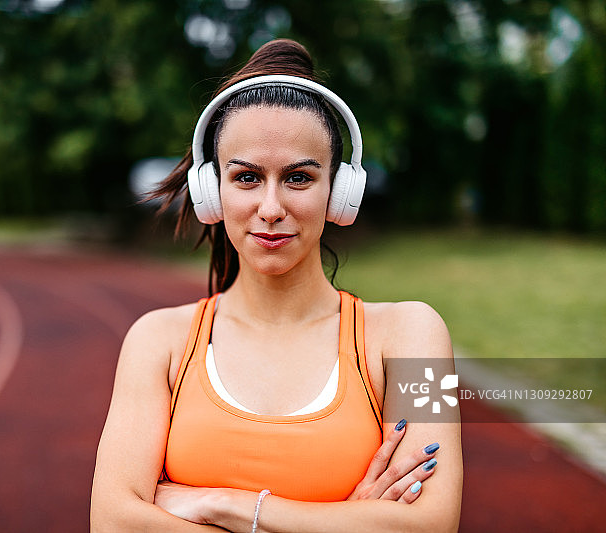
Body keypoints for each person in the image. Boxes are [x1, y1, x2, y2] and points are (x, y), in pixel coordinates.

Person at [91, 39, 462, 532]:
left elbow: (432, 525)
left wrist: (226, 506)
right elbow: (112, 524)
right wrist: (348, 521)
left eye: (299, 178)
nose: (270, 208)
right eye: (246, 177)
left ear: (340, 191)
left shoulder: (416, 334)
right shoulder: (156, 341)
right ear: (212, 191)